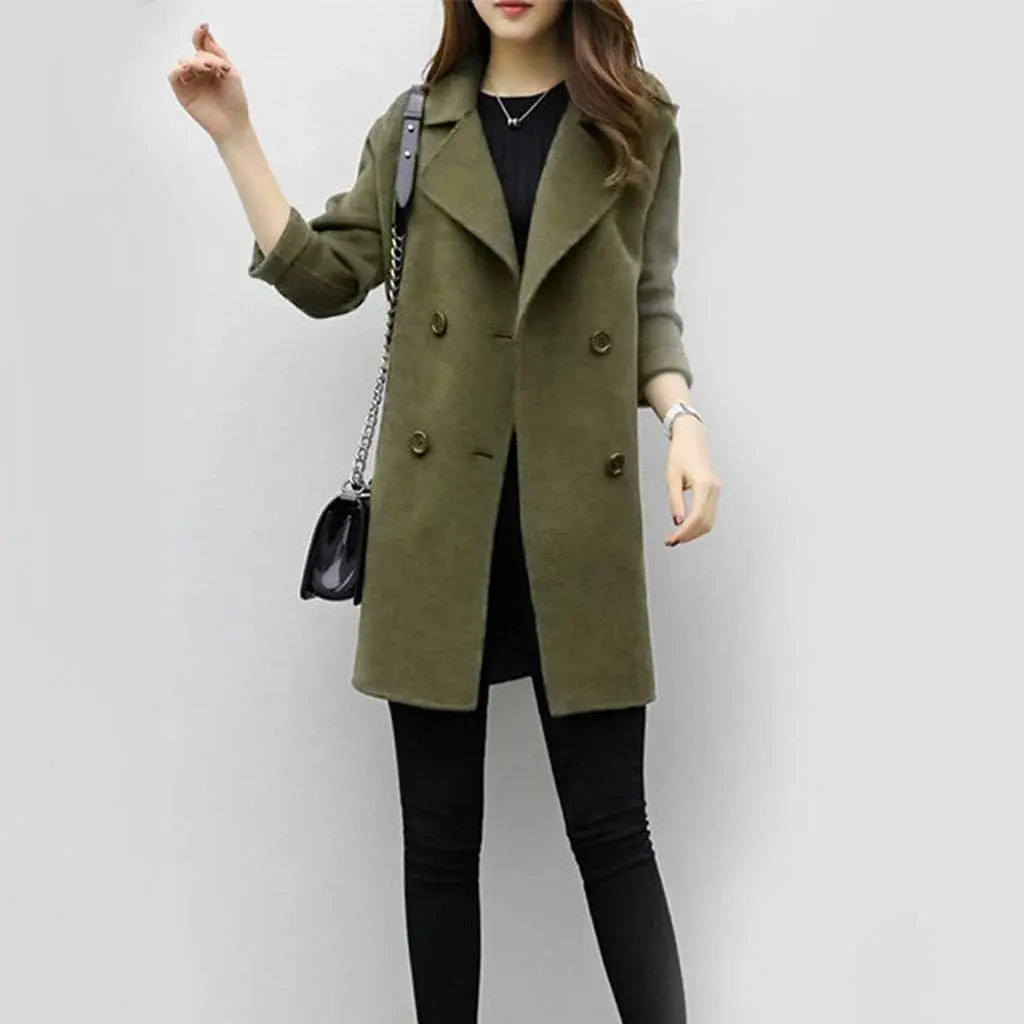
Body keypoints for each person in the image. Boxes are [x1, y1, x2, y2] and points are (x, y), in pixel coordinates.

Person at [169, 2, 721, 1021]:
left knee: (614, 835)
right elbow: (327, 277)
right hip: (439, 532)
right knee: (437, 842)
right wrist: (235, 136)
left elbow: (649, 301)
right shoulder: (418, 125)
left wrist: (681, 420)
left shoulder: (635, 122)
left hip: (577, 528)